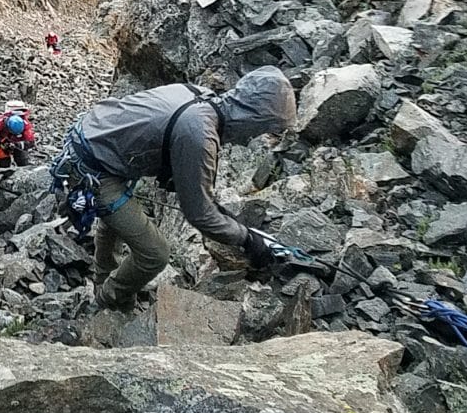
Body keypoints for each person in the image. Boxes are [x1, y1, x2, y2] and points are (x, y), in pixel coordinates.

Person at [51, 66, 295, 309]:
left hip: (93, 138)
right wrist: (247, 239)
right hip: (93, 168)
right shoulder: (199, 134)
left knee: (115, 220)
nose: (253, 139)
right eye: (262, 129)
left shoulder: (199, 95)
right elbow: (199, 215)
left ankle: (104, 279)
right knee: (155, 254)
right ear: (252, 118)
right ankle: (106, 302)